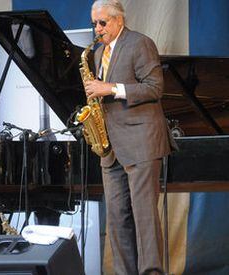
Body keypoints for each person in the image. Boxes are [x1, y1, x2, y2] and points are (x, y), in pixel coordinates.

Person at [84, 1, 176, 274]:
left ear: (118, 20)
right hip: (111, 148)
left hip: (141, 142)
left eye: (103, 23)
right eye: (94, 24)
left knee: (145, 218)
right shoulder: (99, 53)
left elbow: (154, 88)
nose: (97, 29)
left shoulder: (140, 43)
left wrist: (109, 88)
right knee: (117, 219)